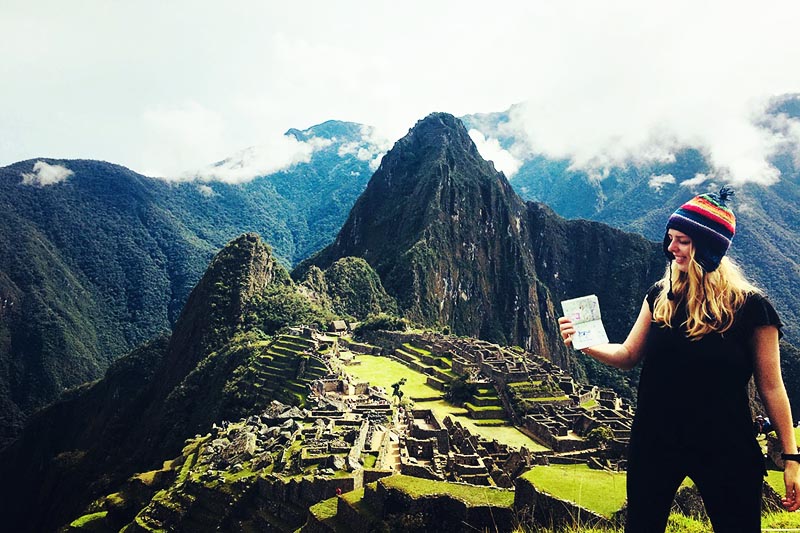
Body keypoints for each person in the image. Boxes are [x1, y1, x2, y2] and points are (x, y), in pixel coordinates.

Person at [558, 188, 799, 532]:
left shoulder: (751, 310)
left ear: (708, 248)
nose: (670, 248)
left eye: (682, 240)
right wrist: (586, 343)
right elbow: (628, 355)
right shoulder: (660, 296)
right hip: (655, 440)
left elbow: (772, 387)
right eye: (670, 238)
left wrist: (790, 458)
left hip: (725, 444)